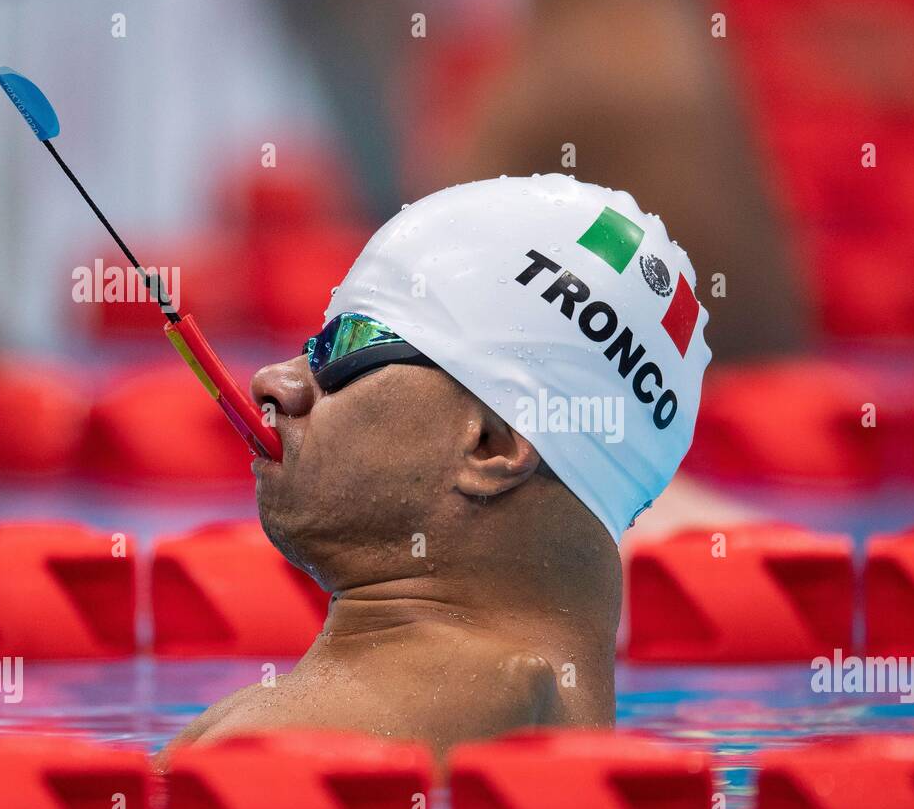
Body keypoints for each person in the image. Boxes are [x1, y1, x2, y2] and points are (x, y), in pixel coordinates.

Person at [156, 174, 710, 764]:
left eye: (349, 346)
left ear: (491, 446)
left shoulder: (476, 696)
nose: (276, 380)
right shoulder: (509, 712)